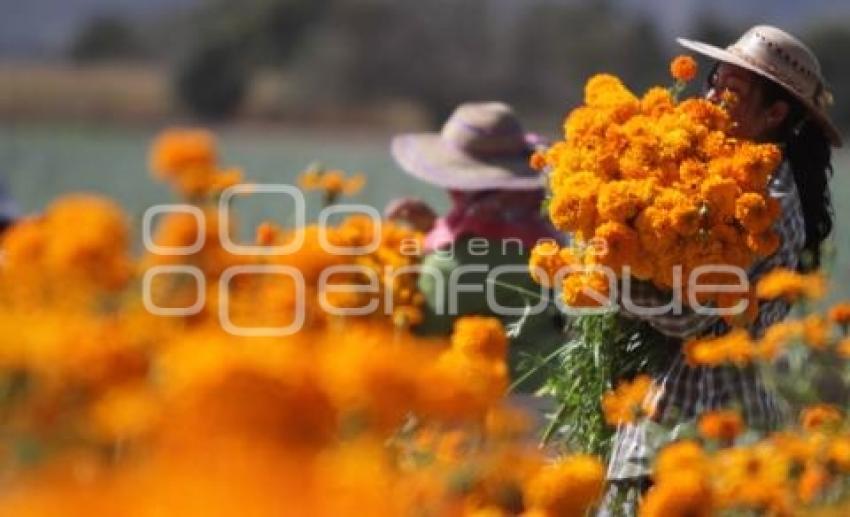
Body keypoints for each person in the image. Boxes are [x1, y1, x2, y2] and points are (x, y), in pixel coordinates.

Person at [599, 25, 841, 515]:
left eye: (733, 90)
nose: (710, 95)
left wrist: (607, 275)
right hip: (673, 427)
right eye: (714, 79)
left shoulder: (768, 204)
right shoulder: (716, 171)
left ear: (775, 114)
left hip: (705, 430)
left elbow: (687, 316)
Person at [386, 101, 563, 392]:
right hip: (549, 396)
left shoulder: (448, 265)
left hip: (481, 406)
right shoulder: (544, 243)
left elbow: (423, 337)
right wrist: (435, 227)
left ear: (458, 184)